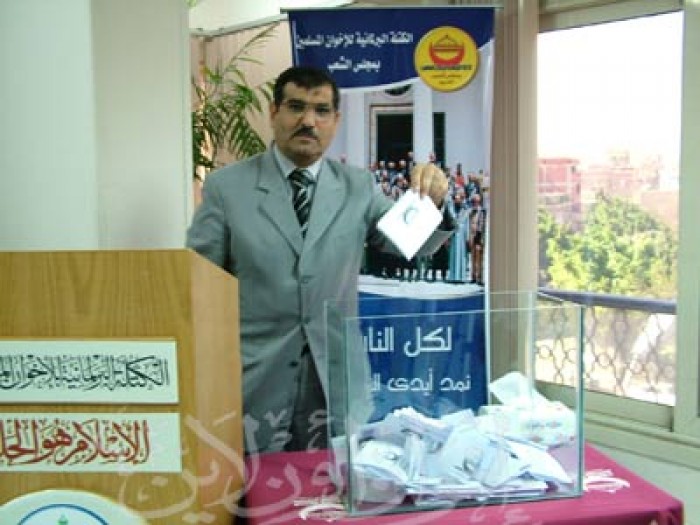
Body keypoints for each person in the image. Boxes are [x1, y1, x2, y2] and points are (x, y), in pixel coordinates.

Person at [186, 65, 452, 454]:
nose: (308, 121)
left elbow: (411, 242)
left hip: (334, 383)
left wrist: (434, 201)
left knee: (330, 486)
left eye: (321, 110)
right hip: (252, 384)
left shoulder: (358, 187)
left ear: (335, 120)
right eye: (296, 107)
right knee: (255, 488)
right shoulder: (227, 189)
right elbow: (199, 285)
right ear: (274, 112)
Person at [468, 192, 487, 286]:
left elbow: (482, 226)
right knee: (473, 258)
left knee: (479, 259)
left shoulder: (482, 211)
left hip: (479, 238)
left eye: (476, 201)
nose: (475, 203)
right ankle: (473, 277)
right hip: (472, 237)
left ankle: (480, 278)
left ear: (479, 202)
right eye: (473, 201)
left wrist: (481, 239)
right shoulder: (471, 212)